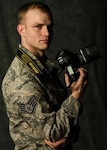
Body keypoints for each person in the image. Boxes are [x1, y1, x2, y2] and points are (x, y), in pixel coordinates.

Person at [1, 1, 87, 150]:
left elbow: (66, 127)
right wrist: (75, 95)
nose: (47, 33)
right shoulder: (22, 80)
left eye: (49, 26)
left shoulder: (42, 69)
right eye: (38, 27)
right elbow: (53, 132)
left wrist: (71, 135)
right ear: (22, 30)